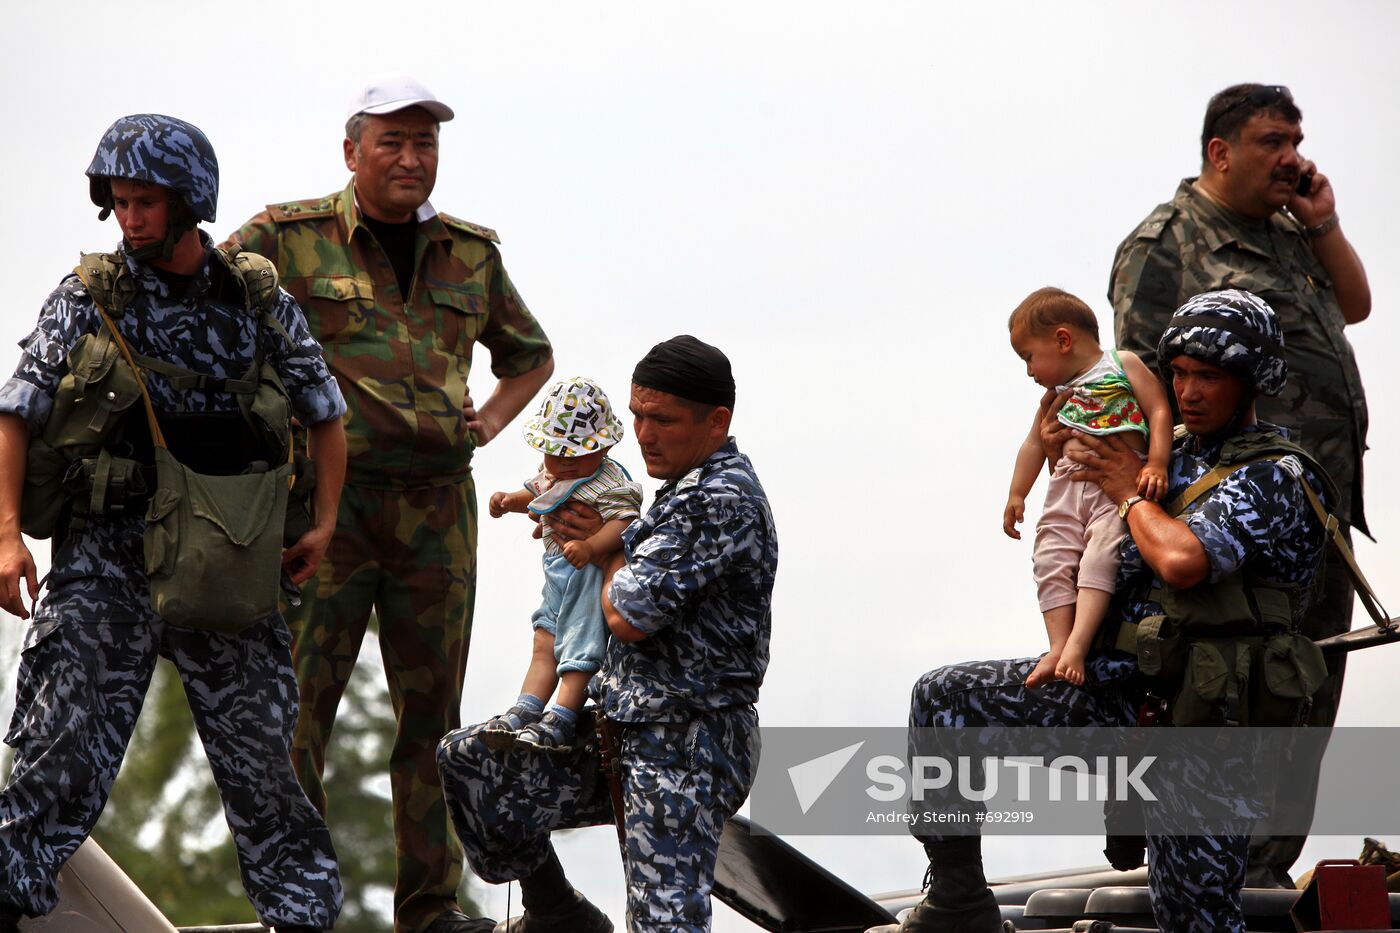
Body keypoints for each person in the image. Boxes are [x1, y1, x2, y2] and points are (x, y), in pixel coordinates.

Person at [871, 290, 1332, 933]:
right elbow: (1074, 501)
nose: (1190, 391)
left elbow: (1183, 561)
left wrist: (1124, 486)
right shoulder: (1159, 446)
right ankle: (957, 899)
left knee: (1192, 916)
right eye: (1180, 375)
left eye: (1210, 376)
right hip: (1121, 695)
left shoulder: (1274, 475)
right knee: (945, 700)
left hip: (1210, 731)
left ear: (1251, 381)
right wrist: (1063, 441)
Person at [0, 114, 346, 933]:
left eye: (146, 202)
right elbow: (16, 412)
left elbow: (326, 414)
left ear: (191, 202)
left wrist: (325, 524)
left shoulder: (254, 298)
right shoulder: (89, 296)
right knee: (60, 747)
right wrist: (7, 531)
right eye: (118, 202)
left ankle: (300, 918)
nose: (130, 218)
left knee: (263, 765)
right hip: (105, 557)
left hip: (225, 559)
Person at [228, 74, 554, 933]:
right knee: (296, 708)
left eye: (426, 144)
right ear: (352, 153)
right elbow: (206, 314)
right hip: (324, 509)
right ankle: (293, 903)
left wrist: (484, 421)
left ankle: (431, 906)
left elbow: (530, 353)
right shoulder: (285, 239)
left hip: (436, 513)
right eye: (393, 143)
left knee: (432, 718)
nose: (412, 159)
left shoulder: (470, 253)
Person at [1109, 83, 1371, 885]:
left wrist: (1322, 222)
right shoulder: (1168, 241)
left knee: (1305, 683)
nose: (1291, 156)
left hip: (1311, 510)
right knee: (1226, 689)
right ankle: (1203, 868)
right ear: (1220, 152)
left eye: (1297, 139)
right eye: (1272, 141)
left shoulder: (1292, 231)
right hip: (1224, 518)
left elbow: (1355, 305)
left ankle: (1261, 872)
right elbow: (1142, 387)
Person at [437, 335, 777, 933]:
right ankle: (556, 913)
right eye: (638, 415)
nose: (644, 433)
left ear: (717, 421)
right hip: (617, 727)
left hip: (688, 741)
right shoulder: (675, 491)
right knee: (472, 764)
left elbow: (628, 616)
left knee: (662, 920)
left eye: (663, 420)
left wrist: (604, 548)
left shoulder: (720, 498)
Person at [1003, 287, 1171, 687]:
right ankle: (1058, 644)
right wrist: (1017, 494)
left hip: (1109, 492)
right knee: (1049, 559)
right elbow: (1032, 445)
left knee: (1099, 559)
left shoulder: (1121, 363)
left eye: (1029, 357)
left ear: (1062, 340)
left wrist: (1157, 462)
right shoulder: (1054, 398)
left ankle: (1078, 644)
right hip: (1065, 488)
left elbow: (1160, 409)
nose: (1029, 370)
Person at [479, 376, 642, 752]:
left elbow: (625, 521)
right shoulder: (552, 474)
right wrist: (508, 501)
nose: (564, 464)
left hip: (588, 576)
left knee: (580, 648)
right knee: (544, 641)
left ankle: (563, 715)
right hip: (556, 573)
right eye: (557, 453)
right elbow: (536, 494)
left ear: (604, 447)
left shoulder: (609, 481)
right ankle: (526, 708)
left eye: (576, 454)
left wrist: (591, 546)